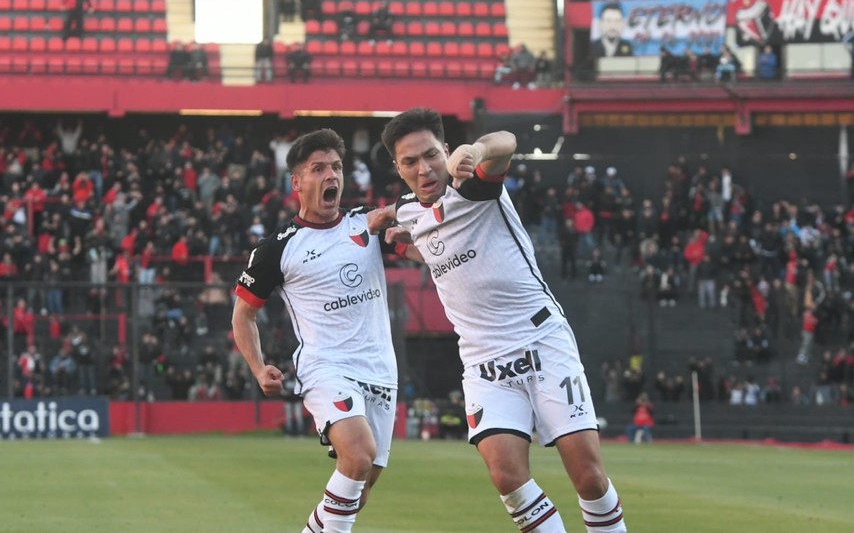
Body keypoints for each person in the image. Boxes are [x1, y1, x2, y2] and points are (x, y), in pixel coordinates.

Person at [372, 108, 627, 533]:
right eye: (410, 162)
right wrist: (399, 245)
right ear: (398, 168)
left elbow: (506, 140)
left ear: (447, 151)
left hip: (541, 339)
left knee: (588, 476)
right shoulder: (407, 213)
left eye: (432, 155)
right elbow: (441, 255)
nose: (424, 168)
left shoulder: (473, 188)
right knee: (508, 478)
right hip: (484, 361)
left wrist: (476, 149)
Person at [232, 129, 407, 533]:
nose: (332, 176)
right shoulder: (276, 248)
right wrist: (258, 368)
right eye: (319, 169)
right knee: (359, 454)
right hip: (325, 367)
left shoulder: (366, 224)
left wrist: (415, 234)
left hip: (381, 371)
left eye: (337, 167)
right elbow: (243, 315)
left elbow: (414, 248)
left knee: (357, 489)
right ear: (297, 182)